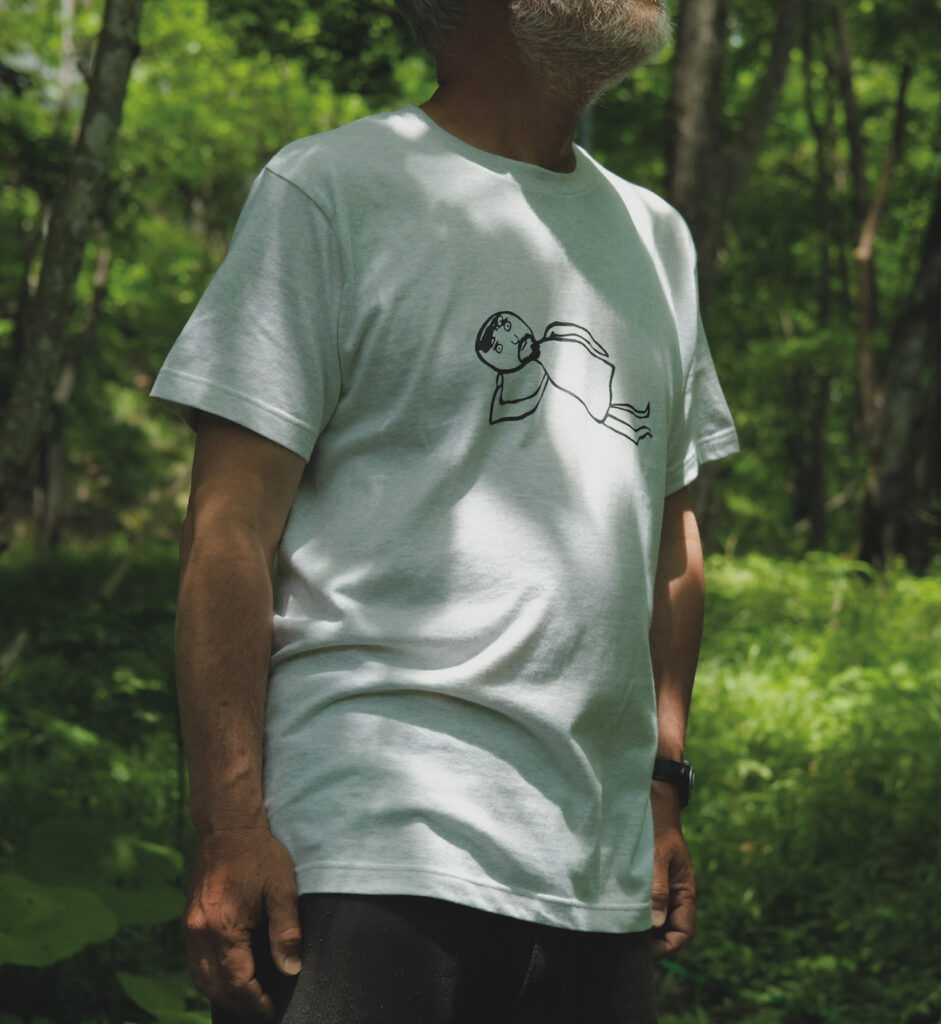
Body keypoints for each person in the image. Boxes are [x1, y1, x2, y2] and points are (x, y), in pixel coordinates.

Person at [151, 0, 740, 1020]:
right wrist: (230, 826)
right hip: (368, 847)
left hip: (596, 874)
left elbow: (670, 538)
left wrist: (661, 784)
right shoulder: (332, 190)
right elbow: (229, 529)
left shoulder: (656, 237)